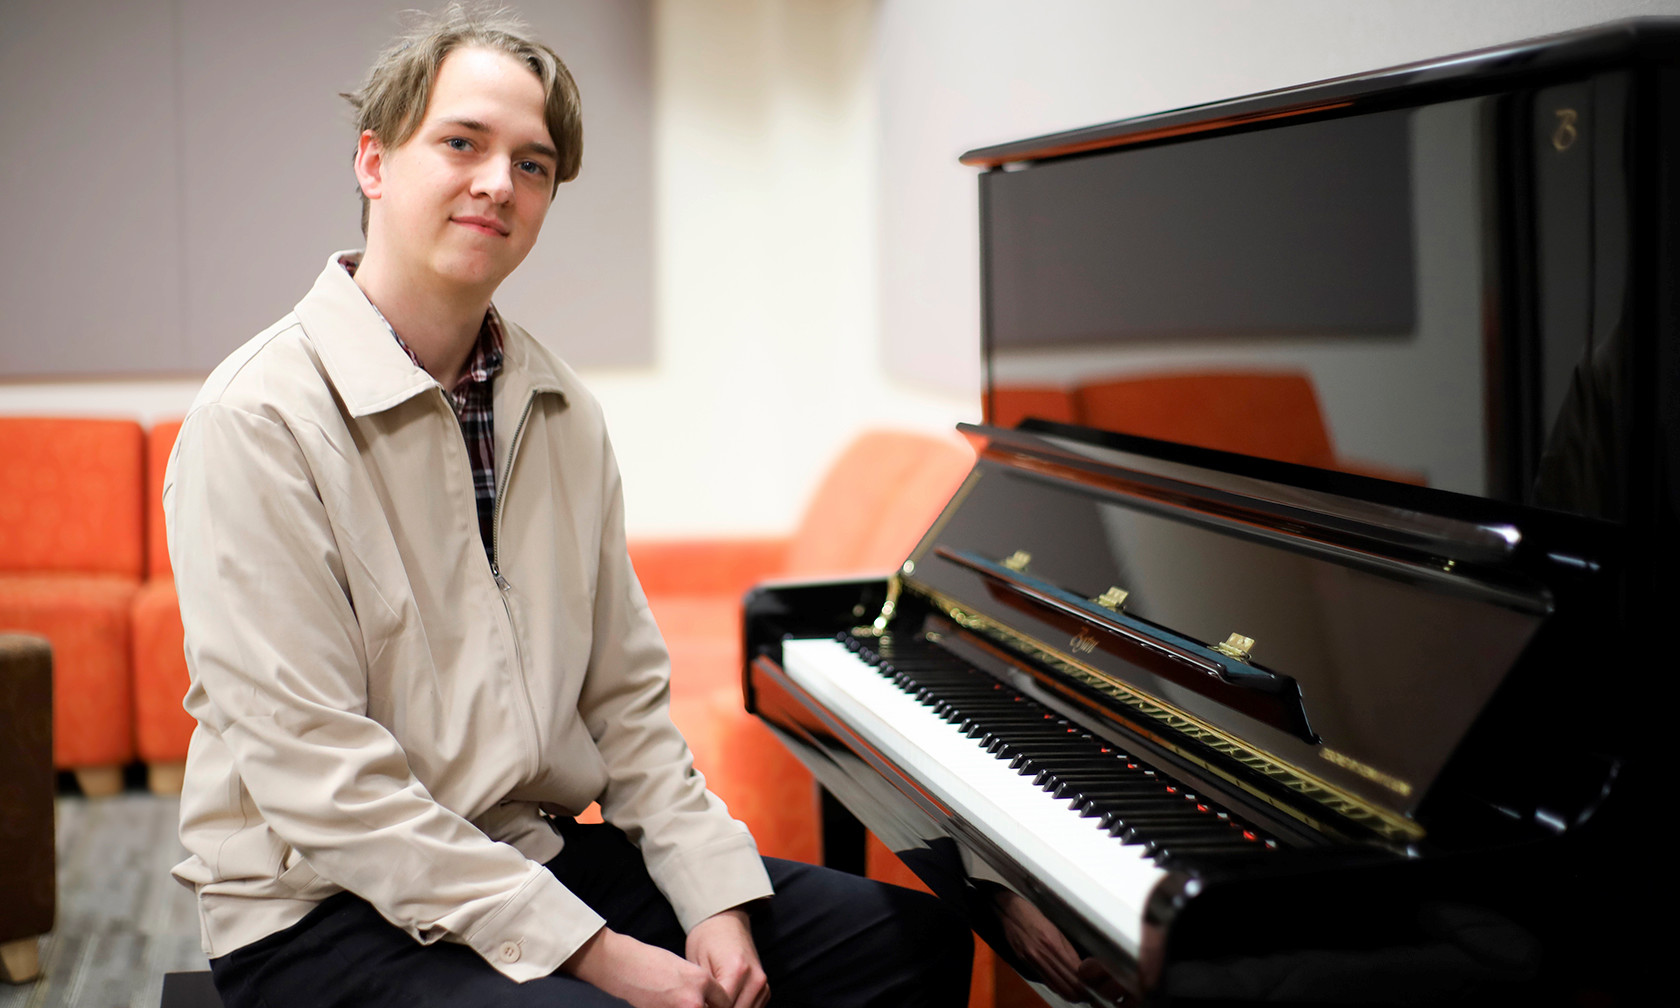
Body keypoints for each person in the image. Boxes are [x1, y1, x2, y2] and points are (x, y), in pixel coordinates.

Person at [163, 5, 972, 1006]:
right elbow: (323, 785)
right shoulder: (257, 421)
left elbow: (625, 704)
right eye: (462, 142)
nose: (500, 181)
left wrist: (713, 894)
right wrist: (596, 952)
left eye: (533, 164)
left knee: (907, 939)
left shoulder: (559, 409)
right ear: (373, 162)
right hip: (322, 908)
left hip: (529, 849)